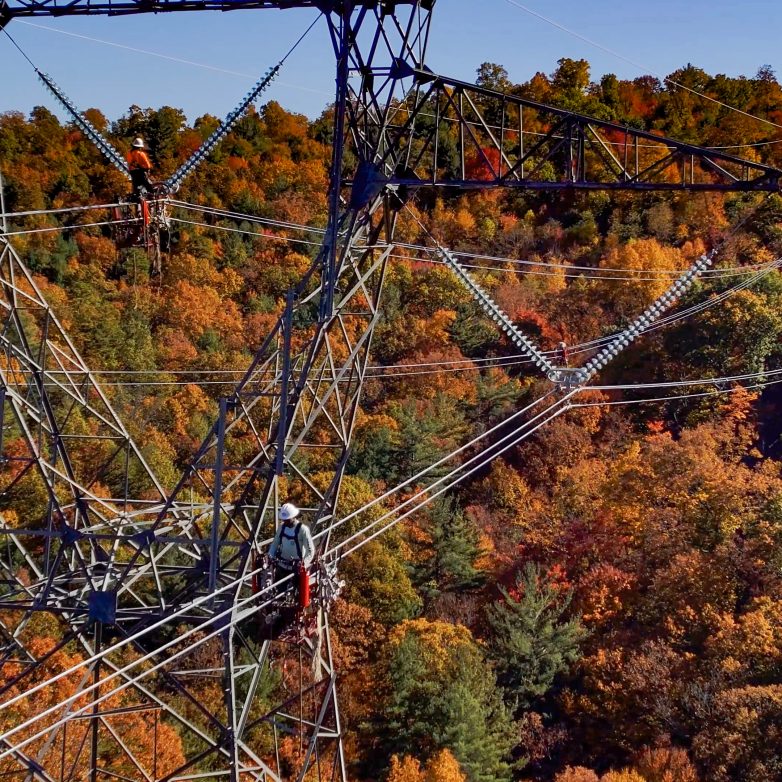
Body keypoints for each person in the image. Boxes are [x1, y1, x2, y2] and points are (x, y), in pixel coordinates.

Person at [268, 502, 315, 598]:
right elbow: (275, 543)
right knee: (279, 593)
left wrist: (303, 564)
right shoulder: (282, 528)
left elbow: (311, 551)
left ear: (293, 517)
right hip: (282, 565)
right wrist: (270, 556)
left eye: (287, 520)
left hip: (297, 568)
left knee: (298, 595)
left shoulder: (302, 530)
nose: (285, 522)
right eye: (283, 520)